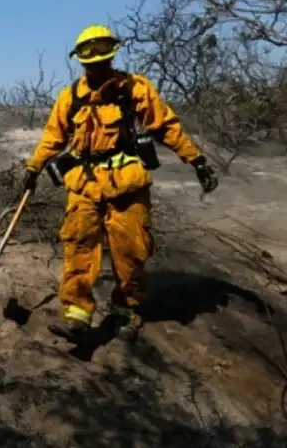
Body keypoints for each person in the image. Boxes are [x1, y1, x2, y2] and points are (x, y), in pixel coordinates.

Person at [20, 24, 219, 343]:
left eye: (102, 59)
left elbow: (165, 126)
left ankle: (126, 312)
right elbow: (53, 137)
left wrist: (195, 160)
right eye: (90, 61)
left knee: (130, 251)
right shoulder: (70, 98)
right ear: (81, 61)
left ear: (112, 57)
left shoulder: (134, 89)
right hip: (84, 186)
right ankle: (76, 316)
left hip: (127, 187)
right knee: (79, 245)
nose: (96, 66)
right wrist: (33, 166)